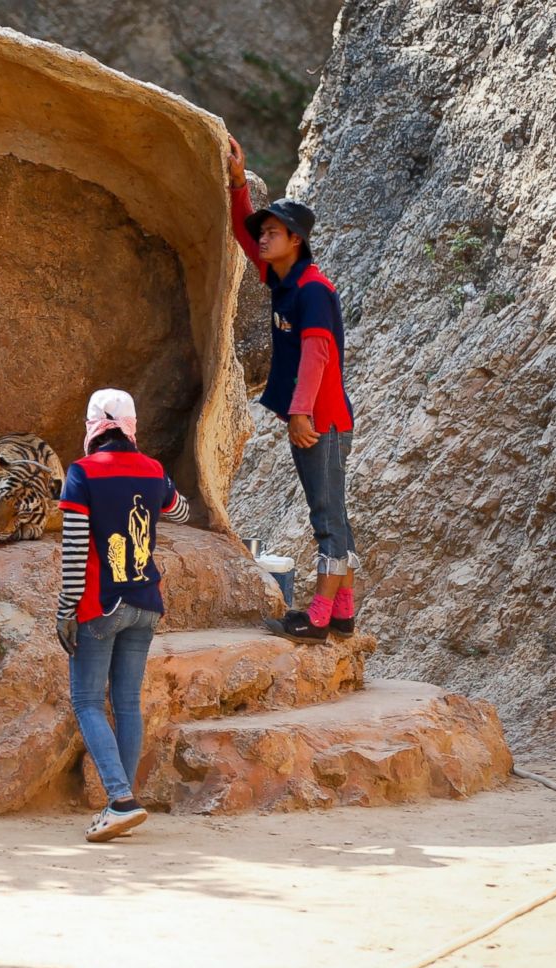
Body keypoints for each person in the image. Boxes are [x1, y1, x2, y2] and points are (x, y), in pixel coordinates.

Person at [227, 137, 358, 644]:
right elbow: (242, 234)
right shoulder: (284, 279)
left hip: (321, 420)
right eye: (265, 230)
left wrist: (301, 413)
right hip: (319, 418)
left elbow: (318, 356)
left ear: (296, 240)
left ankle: (320, 618)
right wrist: (240, 183)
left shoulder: (313, 291)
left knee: (326, 520)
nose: (263, 238)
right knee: (336, 517)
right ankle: (342, 612)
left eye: (274, 232)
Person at [56, 388, 191, 842]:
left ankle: (120, 799)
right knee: (127, 701)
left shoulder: (81, 473)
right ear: (131, 425)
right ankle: (124, 800)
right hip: (146, 602)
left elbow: (75, 549)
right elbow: (182, 510)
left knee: (88, 701)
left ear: (94, 426)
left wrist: (65, 609)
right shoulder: (153, 470)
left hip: (101, 603)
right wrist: (152, 497)